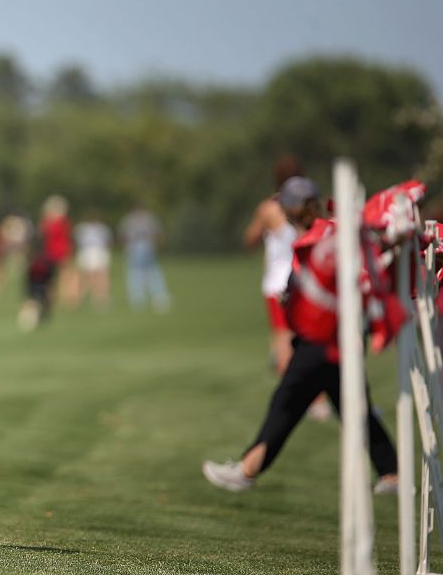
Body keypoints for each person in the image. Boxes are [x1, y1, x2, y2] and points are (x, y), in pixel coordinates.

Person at [202, 176, 398, 494]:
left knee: (286, 402)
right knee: (352, 408)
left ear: (292, 210)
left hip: (323, 340)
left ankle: (246, 471)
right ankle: (392, 473)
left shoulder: (316, 238)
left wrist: (294, 297)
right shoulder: (330, 230)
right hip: (339, 339)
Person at [243, 156, 332, 419]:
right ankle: (318, 398)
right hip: (307, 279)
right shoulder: (312, 205)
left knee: (282, 341)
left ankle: (296, 402)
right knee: (313, 337)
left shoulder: (269, 208)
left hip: (276, 283)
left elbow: (249, 239)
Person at [118, 205, 171, 313]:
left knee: (147, 273)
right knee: (142, 274)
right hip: (138, 248)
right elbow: (122, 235)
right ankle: (143, 298)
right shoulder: (134, 219)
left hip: (144, 248)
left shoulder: (144, 219)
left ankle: (151, 297)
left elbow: (157, 233)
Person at [73, 213, 113, 310]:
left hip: (90, 252)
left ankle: (96, 298)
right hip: (96, 251)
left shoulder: (82, 228)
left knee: (92, 277)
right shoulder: (102, 228)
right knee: (99, 276)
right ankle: (99, 298)